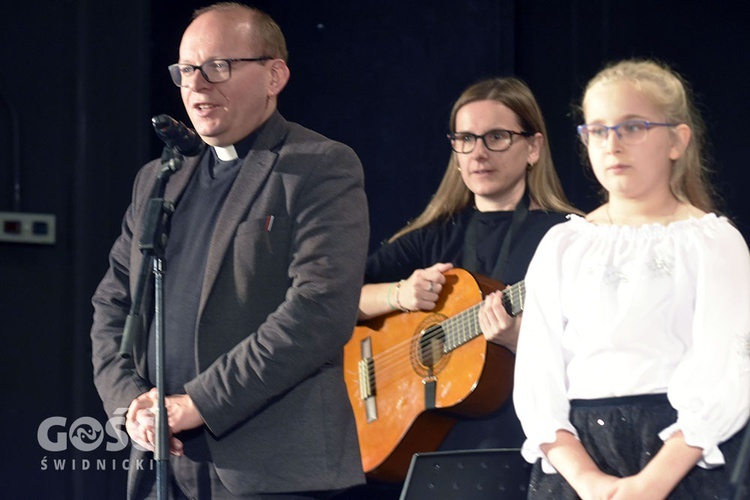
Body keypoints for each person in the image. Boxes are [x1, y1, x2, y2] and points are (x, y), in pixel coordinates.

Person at [90, 3, 369, 499]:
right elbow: (113, 306)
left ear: (274, 75)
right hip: (162, 462)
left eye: (218, 67)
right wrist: (132, 404)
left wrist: (199, 402)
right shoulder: (158, 179)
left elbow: (319, 312)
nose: (196, 86)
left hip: (273, 472)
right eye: (187, 70)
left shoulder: (318, 166)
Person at [514, 58, 750, 499]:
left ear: (678, 140)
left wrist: (649, 485)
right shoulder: (564, 244)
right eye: (597, 130)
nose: (612, 144)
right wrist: (587, 481)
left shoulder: (712, 242)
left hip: (677, 461)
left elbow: (727, 374)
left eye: (633, 127)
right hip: (576, 464)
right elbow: (536, 379)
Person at [355, 77, 580, 494]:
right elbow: (331, 300)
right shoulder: (433, 236)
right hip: (433, 456)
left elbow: (597, 353)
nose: (478, 152)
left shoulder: (571, 240)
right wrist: (399, 294)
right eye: (465, 138)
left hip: (530, 450)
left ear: (533, 147)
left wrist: (519, 342)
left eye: (496, 137)